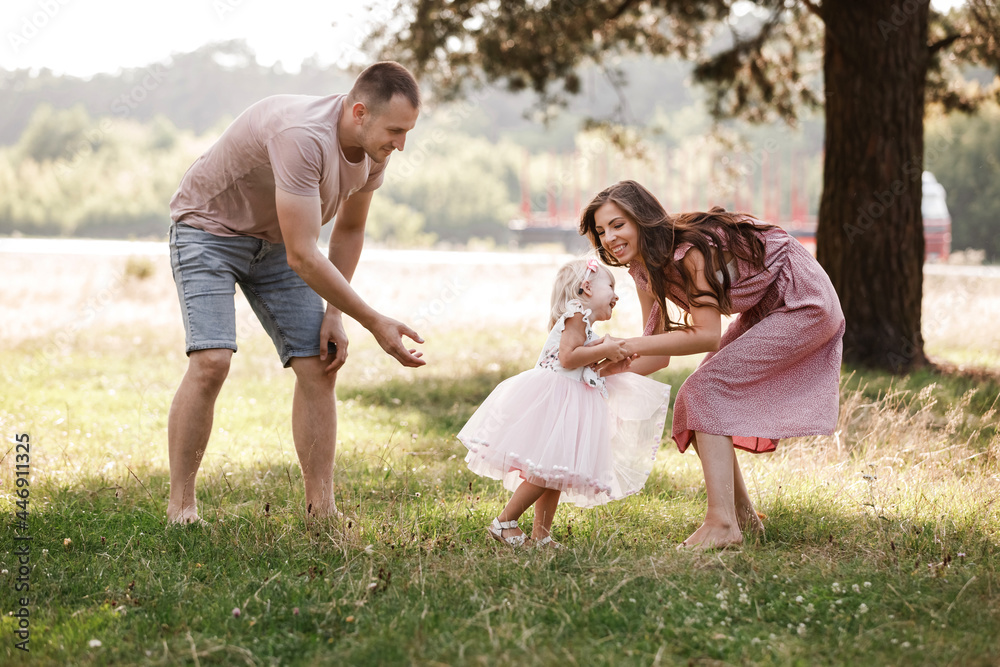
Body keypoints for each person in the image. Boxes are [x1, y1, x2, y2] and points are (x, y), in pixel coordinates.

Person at [166, 61, 426, 525]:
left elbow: (349, 230)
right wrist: (374, 320)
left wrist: (335, 315)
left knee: (319, 362)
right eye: (395, 130)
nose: (400, 144)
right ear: (360, 112)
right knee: (211, 362)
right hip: (208, 230)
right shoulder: (304, 136)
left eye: (407, 132)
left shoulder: (375, 153)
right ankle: (181, 507)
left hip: (277, 243)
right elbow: (305, 256)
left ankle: (320, 511)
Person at [580, 180, 845, 550]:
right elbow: (657, 353)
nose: (609, 237)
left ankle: (721, 524)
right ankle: (744, 522)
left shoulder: (687, 253)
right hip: (764, 306)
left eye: (618, 224)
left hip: (802, 300)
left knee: (704, 390)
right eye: (601, 230)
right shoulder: (642, 270)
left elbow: (706, 335)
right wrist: (595, 376)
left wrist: (622, 345)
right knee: (696, 397)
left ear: (642, 219)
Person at [458, 258, 671, 547]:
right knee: (546, 470)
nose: (616, 294)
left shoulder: (584, 324)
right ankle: (504, 521)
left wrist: (609, 356)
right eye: (610, 286)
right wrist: (604, 348)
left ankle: (541, 535)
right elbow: (568, 358)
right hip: (557, 401)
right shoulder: (576, 316)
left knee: (555, 472)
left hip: (569, 402)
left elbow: (583, 364)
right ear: (586, 288)